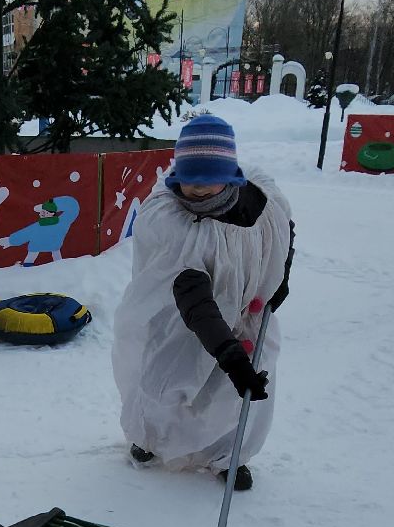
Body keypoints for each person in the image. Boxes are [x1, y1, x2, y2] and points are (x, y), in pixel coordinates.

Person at [112, 115, 293, 491]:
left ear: (230, 177)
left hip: (245, 313)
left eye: (206, 179)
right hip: (178, 316)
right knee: (165, 380)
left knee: (229, 394)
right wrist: (229, 356)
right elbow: (195, 301)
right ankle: (149, 438)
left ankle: (230, 455)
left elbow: (285, 232)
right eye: (188, 178)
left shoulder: (264, 199)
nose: (194, 189)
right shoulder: (170, 222)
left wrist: (281, 280)